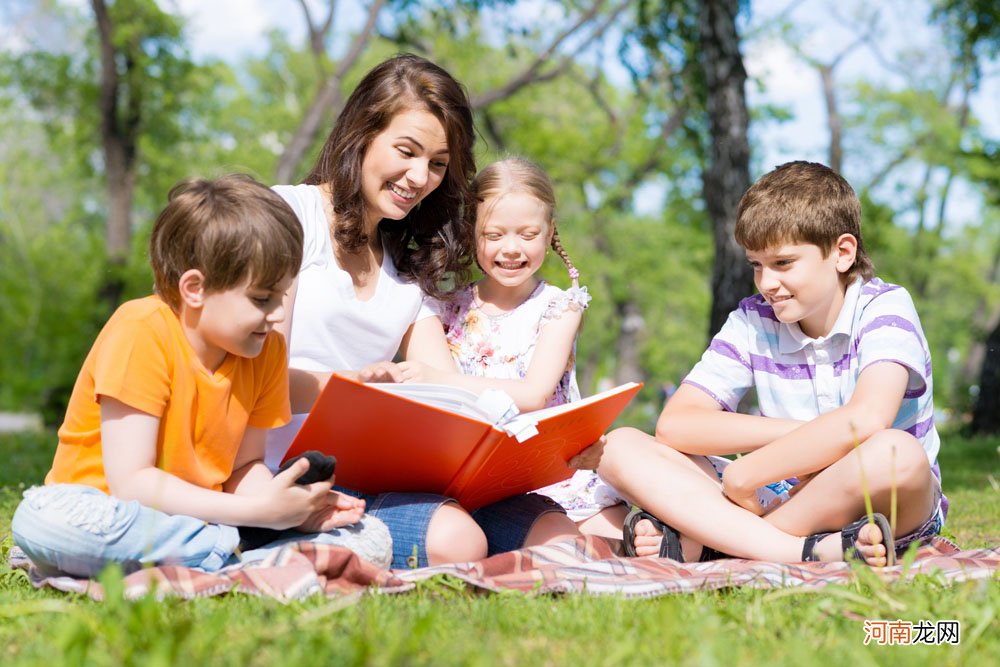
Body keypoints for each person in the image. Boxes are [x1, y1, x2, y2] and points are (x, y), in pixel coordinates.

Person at [11, 175, 392, 577]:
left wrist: (288, 508)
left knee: (372, 539)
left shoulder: (264, 351)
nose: (279, 314)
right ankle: (238, 551)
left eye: (282, 296)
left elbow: (244, 468)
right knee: (40, 519)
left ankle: (227, 551)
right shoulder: (141, 329)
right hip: (111, 512)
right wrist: (254, 514)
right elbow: (133, 483)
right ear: (195, 288)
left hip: (200, 521)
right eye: (262, 298)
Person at [599, 161, 944, 567]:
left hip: (873, 497)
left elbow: (869, 418)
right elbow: (676, 424)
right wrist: (799, 441)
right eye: (756, 265)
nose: (766, 283)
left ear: (842, 253)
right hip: (779, 495)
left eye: (783, 263)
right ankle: (799, 550)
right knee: (617, 446)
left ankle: (719, 540)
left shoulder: (884, 307)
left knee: (895, 453)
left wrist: (745, 475)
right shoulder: (753, 320)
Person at [263, 53, 490, 569]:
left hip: (364, 478)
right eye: (406, 152)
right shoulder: (288, 216)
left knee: (466, 536)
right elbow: (252, 377)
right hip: (267, 471)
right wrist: (354, 388)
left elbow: (444, 391)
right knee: (458, 541)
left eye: (437, 165)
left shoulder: (408, 270)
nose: (419, 177)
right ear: (362, 132)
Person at [396, 157, 628, 550]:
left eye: (527, 234)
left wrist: (435, 379)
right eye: (495, 234)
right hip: (478, 474)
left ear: (549, 232)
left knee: (609, 548)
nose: (511, 249)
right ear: (471, 233)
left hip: (551, 472)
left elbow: (533, 394)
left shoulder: (560, 307)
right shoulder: (448, 306)